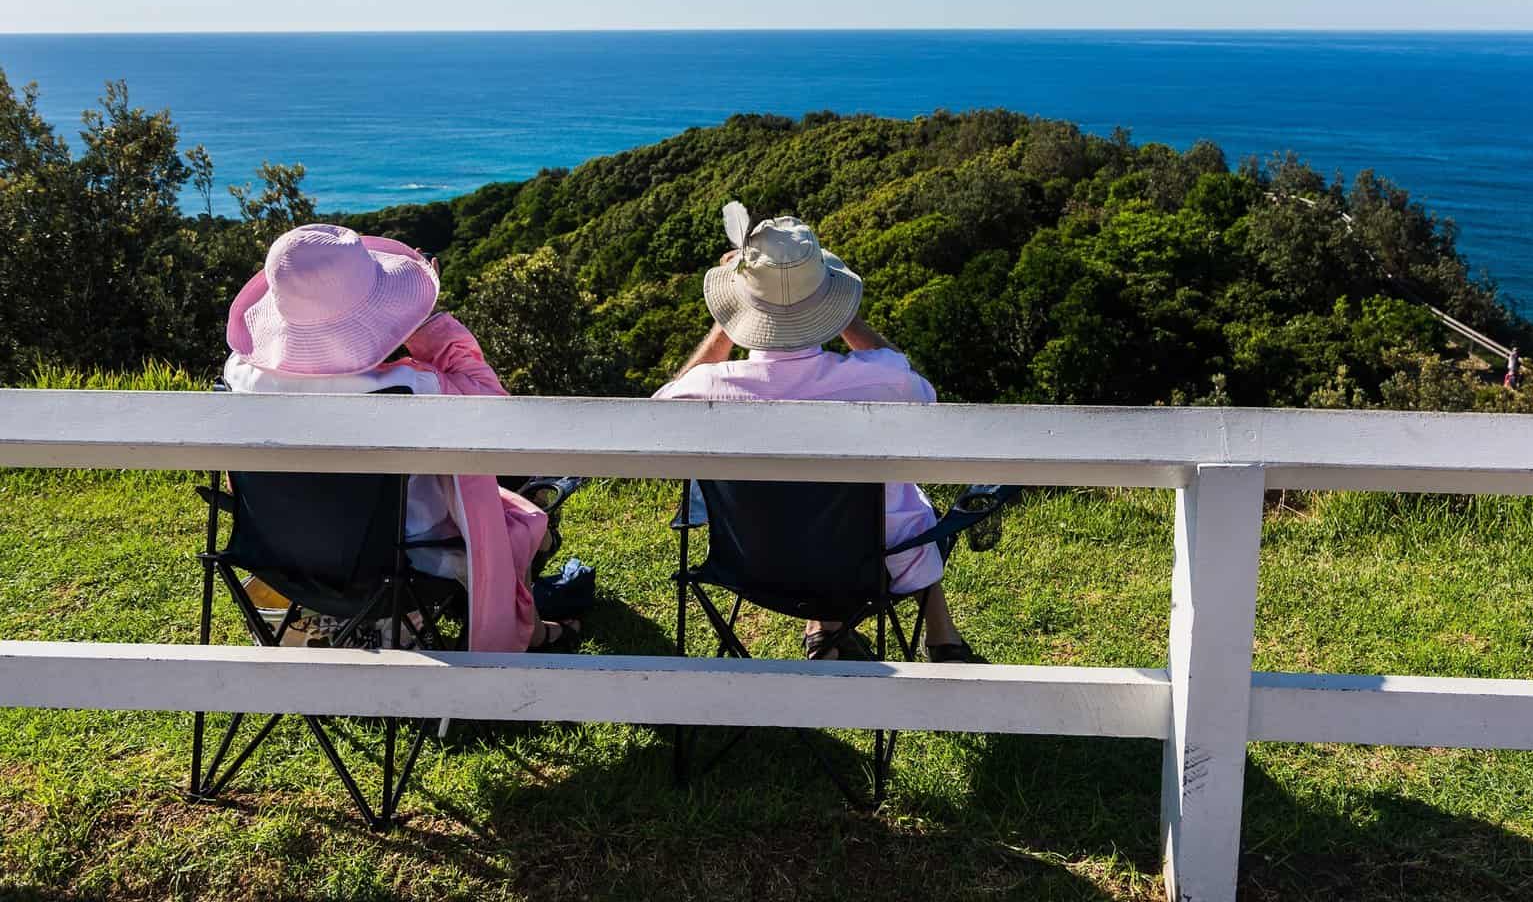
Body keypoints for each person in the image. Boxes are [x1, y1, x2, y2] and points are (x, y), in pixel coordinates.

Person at [654, 202, 983, 663]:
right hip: (866, 563)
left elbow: (653, 420)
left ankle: (824, 631)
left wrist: (726, 323)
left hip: (752, 561)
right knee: (903, 505)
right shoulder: (878, 380)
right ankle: (940, 639)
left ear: (741, 309)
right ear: (828, 305)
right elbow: (922, 395)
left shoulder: (708, 390)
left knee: (816, 508)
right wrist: (845, 318)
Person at [220, 223, 574, 653]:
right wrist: (426, 323)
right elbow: (496, 419)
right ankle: (531, 628)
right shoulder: (410, 387)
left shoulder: (240, 378)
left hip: (283, 556)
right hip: (403, 559)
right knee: (518, 514)